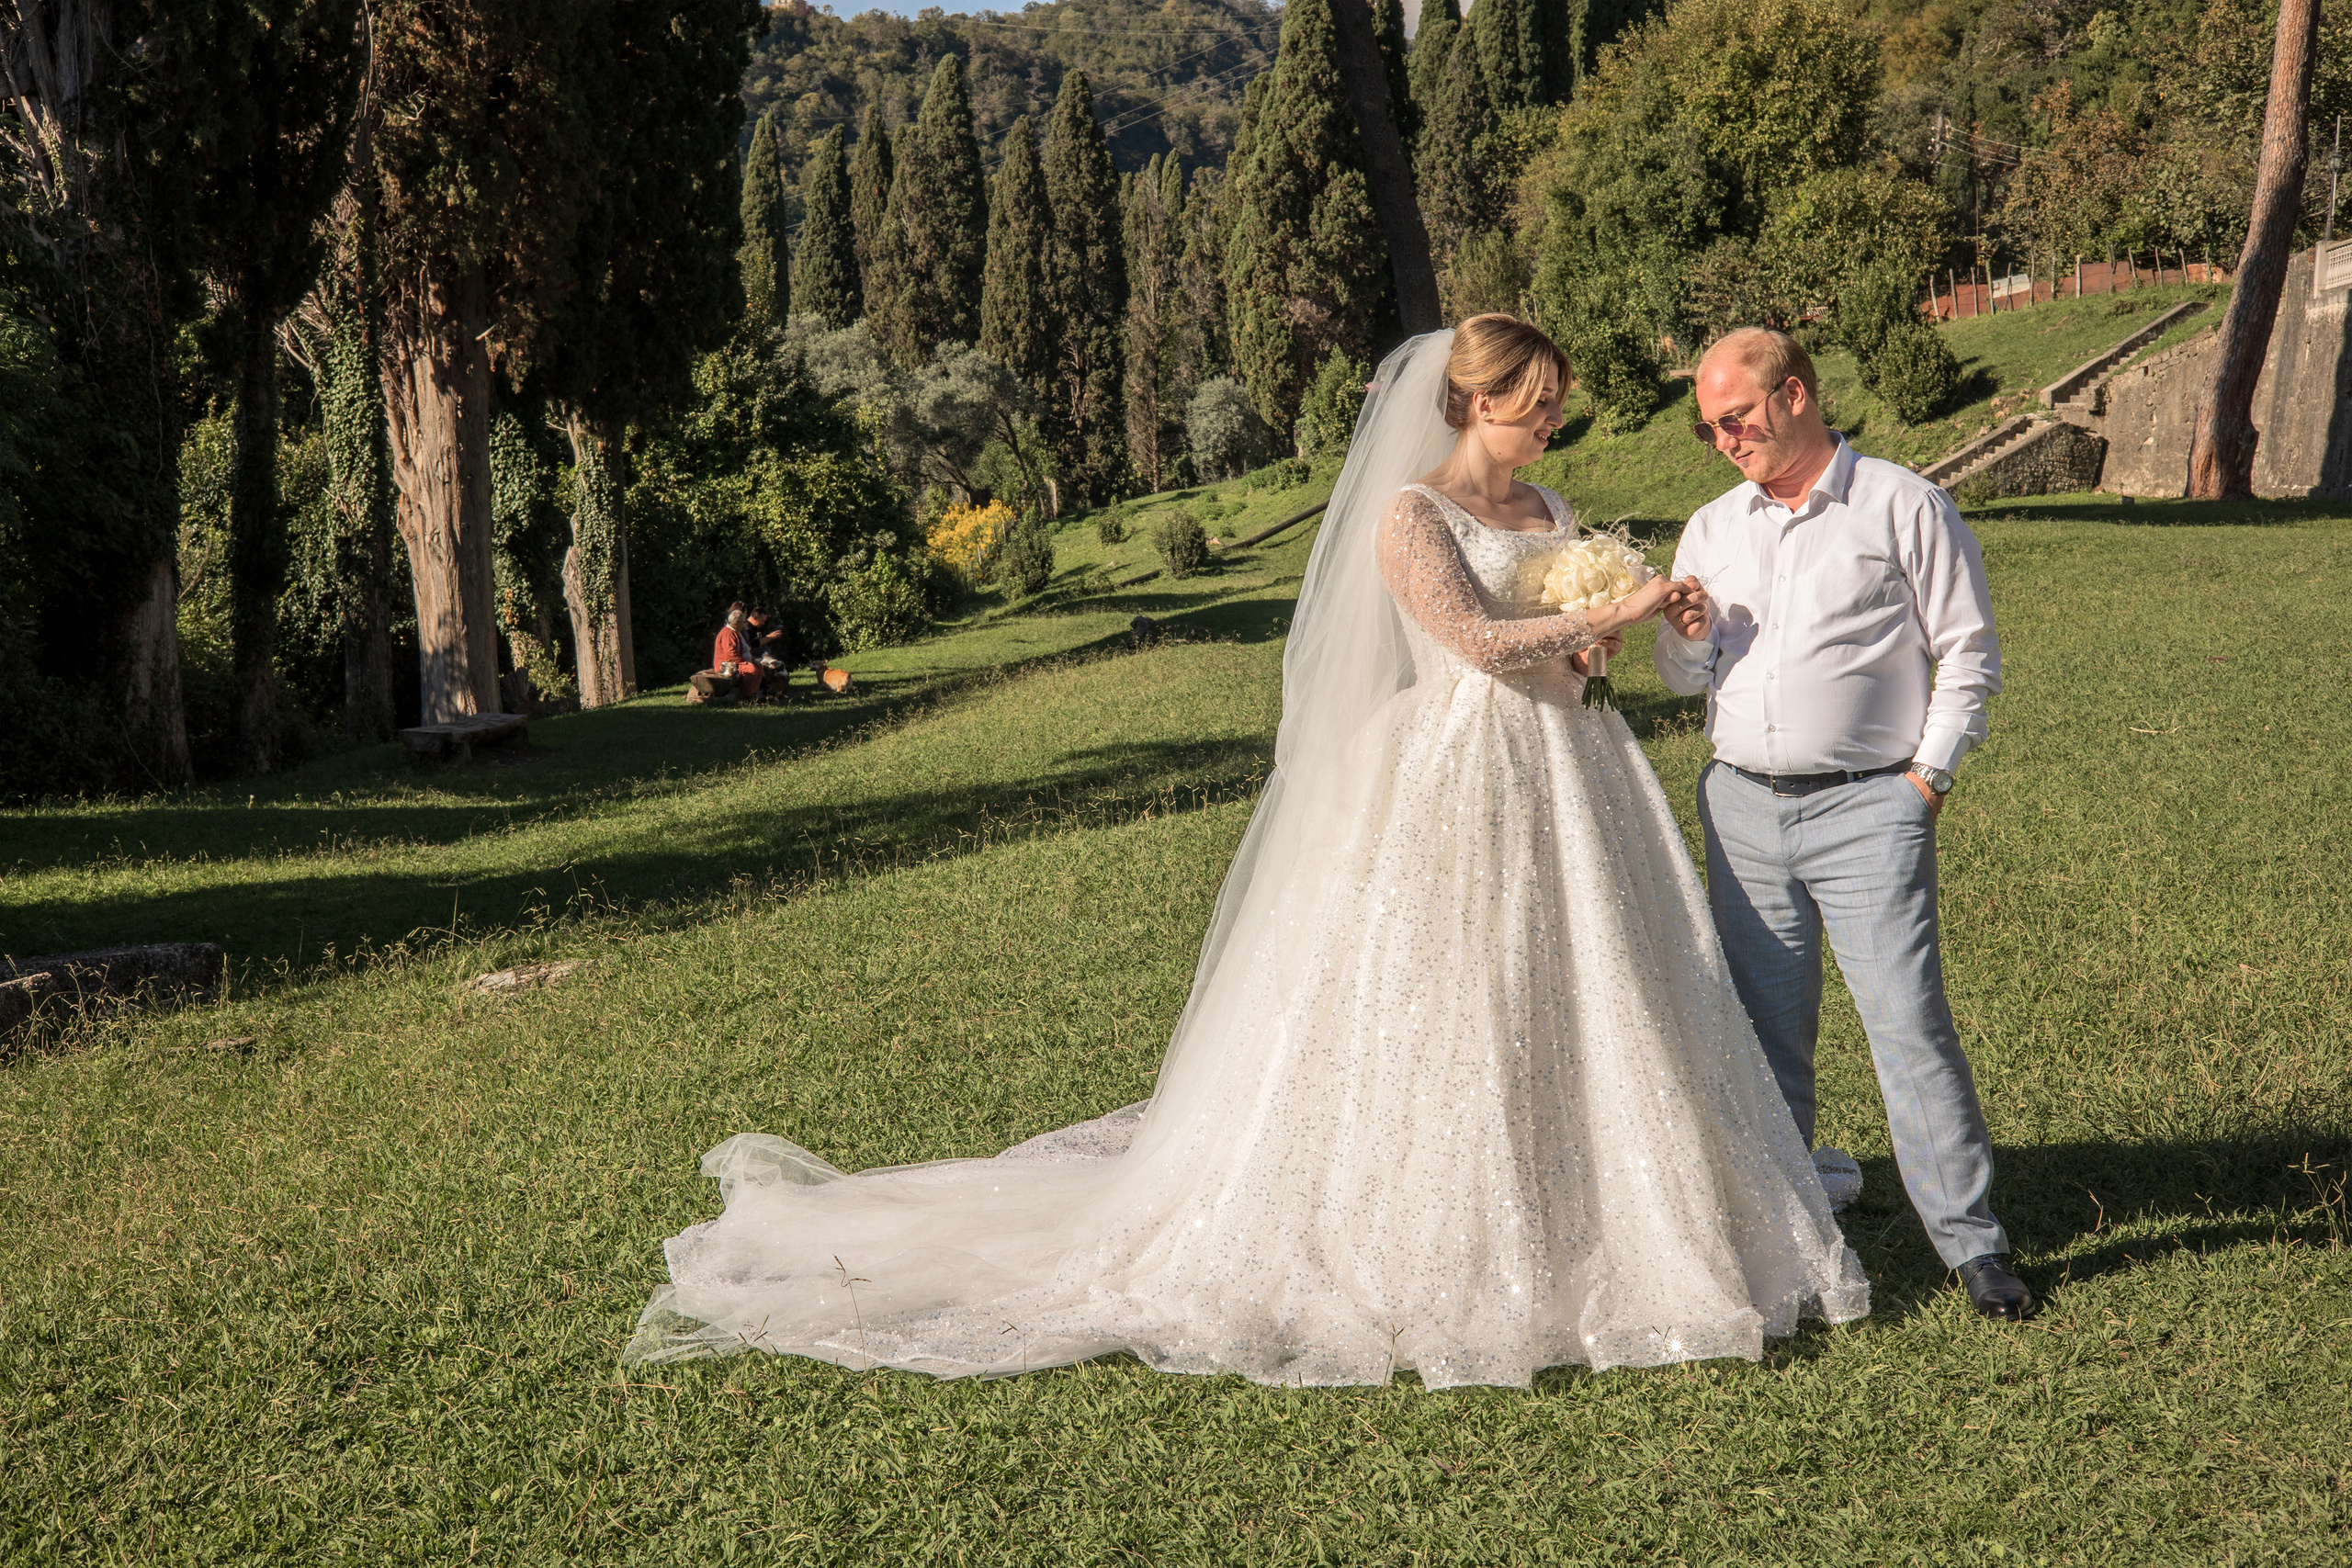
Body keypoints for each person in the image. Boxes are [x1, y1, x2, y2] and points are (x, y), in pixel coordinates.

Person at [624, 317, 1868, 1385]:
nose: (1551, 427)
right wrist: (1613, 605)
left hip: (1570, 769)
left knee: (1590, 983)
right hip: (1456, 770)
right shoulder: (1409, 513)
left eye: (1555, 410)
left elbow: (1559, 649)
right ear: (1476, 400)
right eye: (1535, 407)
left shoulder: (1548, 507)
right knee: (1451, 996)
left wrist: (1608, 634)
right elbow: (1476, 645)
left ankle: (1604, 1201)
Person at [1653, 328, 2029, 1321]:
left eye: (1733, 419)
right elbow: (1683, 677)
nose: (1723, 440)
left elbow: (1967, 650)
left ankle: (1972, 1246)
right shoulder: (1710, 528)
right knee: (1765, 1033)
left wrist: (1926, 782)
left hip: (1871, 804)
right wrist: (1687, 645)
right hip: (1740, 804)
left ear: (1794, 396)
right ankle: (1792, 1234)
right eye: (1708, 427)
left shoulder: (1902, 504)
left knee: (1906, 1025)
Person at [689, 604, 762, 704]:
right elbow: (731, 654)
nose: (743, 625)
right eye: (742, 623)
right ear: (737, 622)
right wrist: (745, 663)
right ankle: (746, 696)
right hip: (727, 665)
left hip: (737, 662)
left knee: (759, 667)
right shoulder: (728, 633)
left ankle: (754, 693)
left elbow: (744, 651)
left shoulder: (735, 632)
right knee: (751, 670)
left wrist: (752, 660)